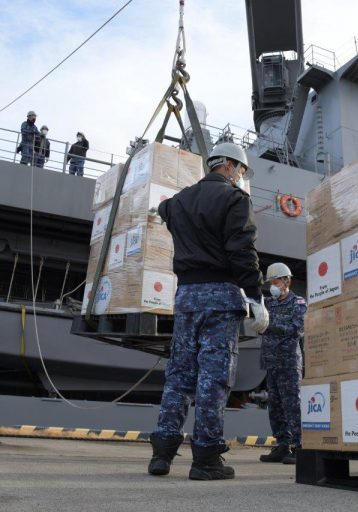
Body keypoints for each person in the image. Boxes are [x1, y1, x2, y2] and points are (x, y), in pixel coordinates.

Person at [148, 142, 269, 481]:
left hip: (186, 296)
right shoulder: (235, 199)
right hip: (220, 296)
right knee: (213, 379)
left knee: (179, 375)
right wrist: (256, 296)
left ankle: (162, 453)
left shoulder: (177, 202)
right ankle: (205, 459)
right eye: (241, 171)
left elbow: (164, 210)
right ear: (229, 166)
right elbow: (241, 249)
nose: (241, 177)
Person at [258, 262, 306, 465]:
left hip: (288, 363)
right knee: (275, 406)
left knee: (292, 405)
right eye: (270, 282)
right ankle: (282, 445)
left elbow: (297, 329)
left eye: (276, 281)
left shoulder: (299, 303)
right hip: (271, 362)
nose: (273, 285)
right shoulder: (268, 303)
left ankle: (299, 446)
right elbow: (256, 312)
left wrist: (269, 326)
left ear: (287, 281)